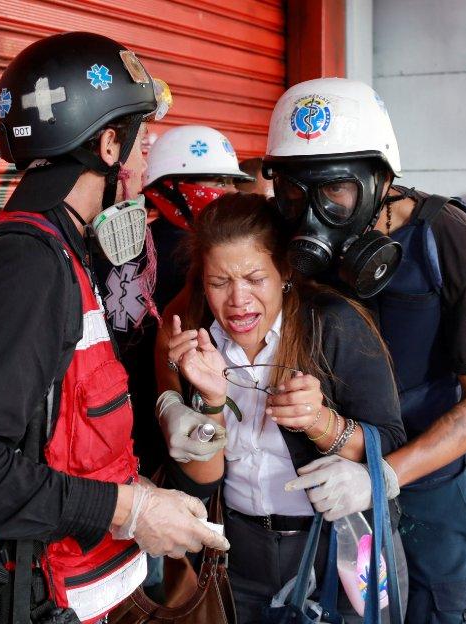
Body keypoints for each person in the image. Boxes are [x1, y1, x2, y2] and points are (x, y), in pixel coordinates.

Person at [0, 32, 228, 624]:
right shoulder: (29, 267)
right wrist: (129, 511)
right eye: (139, 139)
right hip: (33, 600)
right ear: (109, 144)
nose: (144, 158)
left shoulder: (63, 245)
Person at [256, 78, 466, 623]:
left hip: (427, 483)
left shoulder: (451, 238)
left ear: (381, 177)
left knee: (435, 609)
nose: (311, 215)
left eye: (334, 191)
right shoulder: (284, 237)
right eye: (294, 193)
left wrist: (385, 475)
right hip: (320, 480)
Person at [159, 192, 406, 623]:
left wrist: (322, 423)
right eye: (220, 282)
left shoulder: (334, 324)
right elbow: (200, 484)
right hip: (238, 556)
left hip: (337, 550)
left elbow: (389, 440)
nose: (238, 300)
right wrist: (212, 402)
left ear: (284, 272)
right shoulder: (197, 337)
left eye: (255, 278)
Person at [93, 125, 252, 478]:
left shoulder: (107, 249)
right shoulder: (202, 260)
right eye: (215, 181)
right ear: (168, 188)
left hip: (125, 432)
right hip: (188, 438)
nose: (228, 193)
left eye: (232, 183)